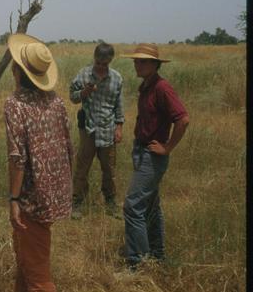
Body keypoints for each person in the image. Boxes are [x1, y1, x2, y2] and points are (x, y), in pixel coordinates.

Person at [2, 33, 73, 292]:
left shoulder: (15, 105)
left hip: (31, 197)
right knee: (26, 254)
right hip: (54, 193)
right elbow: (68, 146)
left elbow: (17, 158)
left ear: (17, 70)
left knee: (39, 271)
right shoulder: (56, 101)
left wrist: (14, 199)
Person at [121, 43, 189, 270]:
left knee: (132, 207)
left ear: (154, 64)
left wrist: (168, 147)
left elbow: (183, 119)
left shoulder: (162, 88)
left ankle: (137, 264)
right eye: (135, 60)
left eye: (141, 61)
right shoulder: (146, 86)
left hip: (152, 154)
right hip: (142, 151)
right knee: (150, 206)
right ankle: (157, 257)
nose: (136, 64)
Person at [69, 42, 125, 219]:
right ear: (94, 58)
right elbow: (73, 97)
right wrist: (84, 92)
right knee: (82, 167)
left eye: (105, 64)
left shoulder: (116, 78)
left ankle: (110, 202)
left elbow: (118, 105)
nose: (101, 67)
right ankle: (77, 202)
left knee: (109, 168)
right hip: (88, 130)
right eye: (98, 63)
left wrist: (119, 127)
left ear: (110, 61)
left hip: (108, 130)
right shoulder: (83, 74)